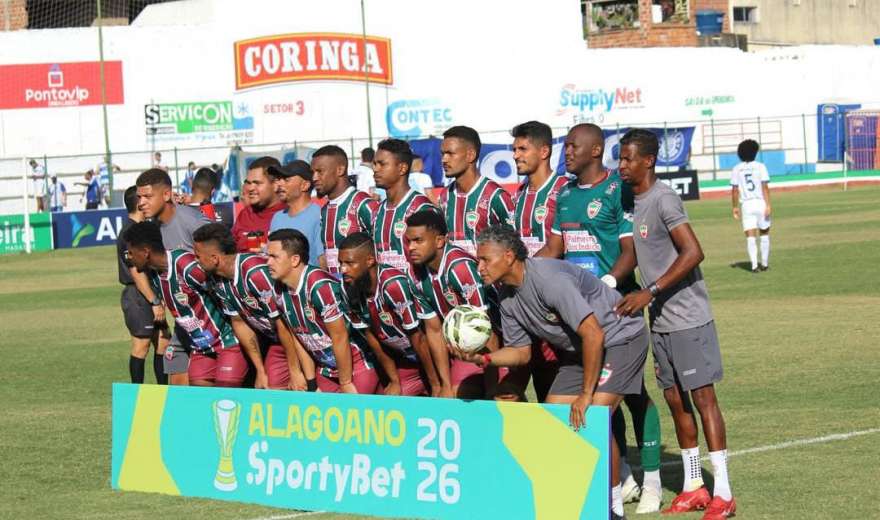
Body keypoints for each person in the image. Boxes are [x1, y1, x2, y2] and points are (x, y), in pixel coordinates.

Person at [458, 226, 650, 520]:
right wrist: (485, 358)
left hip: (620, 338)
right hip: (582, 348)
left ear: (509, 256)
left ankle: (612, 509)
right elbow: (521, 353)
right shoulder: (506, 296)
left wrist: (585, 394)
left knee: (592, 418)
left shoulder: (550, 280)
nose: (480, 267)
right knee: (555, 421)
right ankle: (573, 500)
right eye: (478, 261)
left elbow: (594, 334)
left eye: (485, 259)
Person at [539, 123, 663, 512]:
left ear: (595, 151)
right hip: (579, 318)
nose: (566, 152)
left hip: (618, 310)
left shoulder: (616, 190)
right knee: (599, 401)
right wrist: (523, 272)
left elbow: (630, 250)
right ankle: (622, 478)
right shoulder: (565, 194)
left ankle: (653, 481)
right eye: (565, 146)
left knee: (634, 397)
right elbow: (555, 249)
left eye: (573, 146)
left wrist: (608, 282)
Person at [615, 129, 736, 519]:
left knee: (703, 400)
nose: (622, 165)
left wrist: (649, 291)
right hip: (662, 321)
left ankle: (724, 493)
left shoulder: (663, 198)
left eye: (628, 158)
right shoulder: (631, 200)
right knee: (674, 400)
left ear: (648, 160)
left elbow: (694, 251)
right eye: (620, 158)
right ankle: (693, 485)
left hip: (688, 318)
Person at [123, 221, 248, 387]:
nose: (129, 258)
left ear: (146, 252)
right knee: (197, 397)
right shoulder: (153, 274)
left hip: (228, 342)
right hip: (201, 347)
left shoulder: (187, 267)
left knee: (225, 397)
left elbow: (224, 291)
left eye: (131, 253)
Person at [192, 223, 310, 391]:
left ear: (215, 258)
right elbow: (239, 322)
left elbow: (285, 324)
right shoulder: (216, 280)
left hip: (301, 338)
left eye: (197, 256)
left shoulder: (256, 274)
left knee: (299, 386)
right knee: (269, 386)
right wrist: (260, 370)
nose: (195, 261)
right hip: (275, 341)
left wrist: (294, 371)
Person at [266, 228, 379, 394]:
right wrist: (311, 382)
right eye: (268, 256)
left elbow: (339, 337)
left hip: (357, 365)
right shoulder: (279, 290)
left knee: (349, 410)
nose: (268, 262)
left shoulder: (320, 287)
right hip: (326, 369)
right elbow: (300, 337)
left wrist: (345, 382)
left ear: (295, 260)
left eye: (274, 257)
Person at [338, 232, 452, 397]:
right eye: (341, 263)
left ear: (370, 261)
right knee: (388, 399)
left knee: (442, 396)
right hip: (407, 361)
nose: (343, 269)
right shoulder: (346, 287)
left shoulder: (393, 285)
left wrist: (435, 384)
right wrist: (394, 380)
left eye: (349, 263)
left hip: (435, 355)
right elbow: (372, 337)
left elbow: (419, 338)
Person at [505, 121, 570, 404]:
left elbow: (563, 247)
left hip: (559, 306)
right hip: (527, 304)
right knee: (540, 382)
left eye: (522, 149)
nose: (516, 155)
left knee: (566, 386)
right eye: (514, 149)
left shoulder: (564, 190)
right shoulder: (519, 194)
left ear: (544, 151)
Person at [405, 209, 498, 399]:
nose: (411, 247)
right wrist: (444, 385)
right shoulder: (414, 275)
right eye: (409, 241)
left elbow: (487, 327)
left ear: (439, 241)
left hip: (500, 342)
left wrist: (492, 390)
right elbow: (434, 330)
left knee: (502, 397)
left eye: (418, 240)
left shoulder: (459, 267)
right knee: (453, 395)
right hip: (467, 346)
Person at [136, 168, 211, 381]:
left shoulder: (192, 221)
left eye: (147, 196)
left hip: (212, 321)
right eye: (139, 197)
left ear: (167, 194)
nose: (141, 203)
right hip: (184, 321)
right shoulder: (151, 230)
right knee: (176, 378)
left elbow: (221, 262)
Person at [117, 186, 170, 385]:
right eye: (144, 198)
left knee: (164, 342)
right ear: (139, 203)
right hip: (139, 294)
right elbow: (136, 271)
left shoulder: (140, 228)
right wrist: (154, 301)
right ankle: (137, 394)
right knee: (141, 345)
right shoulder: (129, 233)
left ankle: (163, 393)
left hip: (148, 291)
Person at [438, 125, 514, 256]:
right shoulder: (445, 196)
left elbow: (514, 245)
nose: (444, 159)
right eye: (443, 154)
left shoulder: (496, 196)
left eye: (450, 153)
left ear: (470, 155)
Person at [311, 145, 378, 278]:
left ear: (340, 170)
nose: (314, 178)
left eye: (320, 171)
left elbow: (382, 249)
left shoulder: (363, 204)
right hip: (337, 286)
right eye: (312, 172)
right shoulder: (325, 210)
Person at [371, 138, 437, 273]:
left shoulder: (422, 208)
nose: (375, 169)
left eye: (382, 164)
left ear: (402, 168)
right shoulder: (376, 211)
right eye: (375, 164)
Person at [268, 160, 324, 266]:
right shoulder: (277, 217)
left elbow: (323, 261)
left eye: (286, 179)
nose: (279, 184)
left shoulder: (319, 216)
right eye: (279, 179)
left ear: (305, 185)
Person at [730, 139, 772, 273]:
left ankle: (754, 266)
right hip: (760, 203)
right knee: (764, 233)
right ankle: (764, 264)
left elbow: (734, 190)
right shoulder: (760, 166)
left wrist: (735, 207)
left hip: (746, 205)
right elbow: (765, 187)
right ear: (755, 152)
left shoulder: (737, 168)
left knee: (750, 236)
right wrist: (768, 205)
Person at [231, 156, 286, 253]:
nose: (250, 188)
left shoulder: (289, 214)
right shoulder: (245, 214)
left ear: (275, 185)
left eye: (257, 183)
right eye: (249, 183)